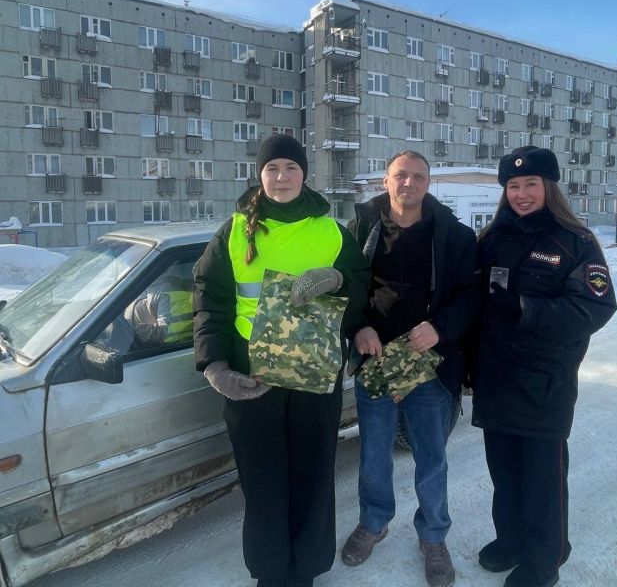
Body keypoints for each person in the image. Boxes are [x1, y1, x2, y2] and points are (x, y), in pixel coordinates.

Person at [193, 133, 369, 587]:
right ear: (259, 175)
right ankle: (271, 573)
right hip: (251, 377)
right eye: (272, 168)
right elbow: (208, 301)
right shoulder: (235, 231)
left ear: (305, 173)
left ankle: (306, 570)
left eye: (291, 167)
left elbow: (362, 290)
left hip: (314, 374)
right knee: (263, 480)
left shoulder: (329, 230)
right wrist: (215, 366)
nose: (282, 176)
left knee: (312, 476)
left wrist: (337, 278)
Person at [471, 146, 617, 587]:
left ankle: (545, 559)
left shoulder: (575, 241)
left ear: (548, 187)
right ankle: (511, 540)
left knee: (542, 480)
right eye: (513, 186)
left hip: (543, 382)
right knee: (505, 472)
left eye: (530, 184)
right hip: (496, 377)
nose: (521, 193)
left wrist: (524, 307)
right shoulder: (491, 239)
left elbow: (595, 309)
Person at [342, 151, 478, 587]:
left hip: (430, 366)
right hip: (377, 362)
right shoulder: (361, 229)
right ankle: (374, 521)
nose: (409, 183)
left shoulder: (453, 235)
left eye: (418, 176)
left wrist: (440, 328)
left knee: (431, 457)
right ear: (386, 180)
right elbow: (345, 290)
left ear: (428, 183)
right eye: (401, 175)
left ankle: (434, 535)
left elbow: (472, 297)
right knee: (374, 453)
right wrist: (358, 327)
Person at [125, 261, 195, 346]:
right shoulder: (141, 281)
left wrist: (128, 328)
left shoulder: (169, 291)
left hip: (144, 350)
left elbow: (166, 335)